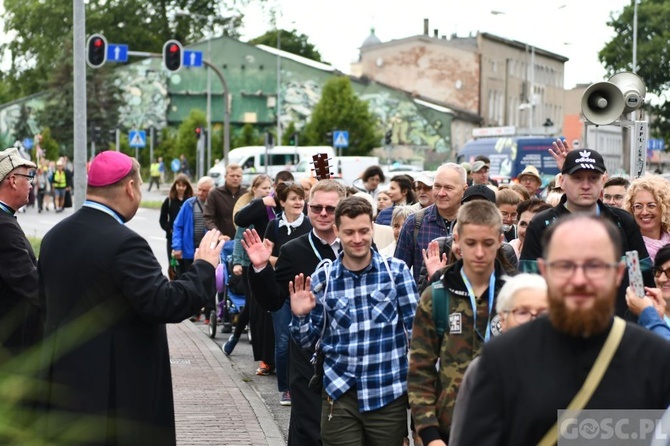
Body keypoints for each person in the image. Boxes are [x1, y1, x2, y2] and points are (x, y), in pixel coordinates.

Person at [38, 151, 223, 445]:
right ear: (130, 188)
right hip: (115, 392)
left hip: (64, 384)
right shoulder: (125, 243)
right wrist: (204, 266)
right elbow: (165, 303)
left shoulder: (55, 237)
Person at [458, 215, 670, 445]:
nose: (579, 279)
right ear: (544, 271)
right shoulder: (502, 359)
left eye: (595, 266)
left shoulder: (655, 358)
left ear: (618, 273)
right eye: (565, 265)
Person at [289, 196, 419, 446]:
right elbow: (306, 342)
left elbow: (418, 334)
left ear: (372, 227)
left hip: (387, 393)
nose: (357, 239)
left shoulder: (397, 272)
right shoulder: (323, 279)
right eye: (349, 232)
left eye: (363, 231)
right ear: (337, 231)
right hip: (339, 394)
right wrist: (301, 315)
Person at [242, 179, 347, 446]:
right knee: (309, 429)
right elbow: (273, 301)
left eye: (330, 208)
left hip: (350, 356)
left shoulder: (356, 245)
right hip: (307, 357)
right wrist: (261, 268)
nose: (323, 214)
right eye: (317, 207)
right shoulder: (292, 250)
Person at [408, 200, 508, 446]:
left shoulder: (516, 295)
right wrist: (429, 435)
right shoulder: (436, 296)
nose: (480, 253)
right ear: (458, 241)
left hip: (506, 429)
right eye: (471, 243)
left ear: (500, 239)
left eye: (488, 243)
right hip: (449, 432)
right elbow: (420, 369)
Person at [520, 147, 654, 317]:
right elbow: (528, 282)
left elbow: (642, 277)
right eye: (577, 178)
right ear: (562, 181)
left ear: (603, 180)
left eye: (593, 178)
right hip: (560, 327)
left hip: (618, 328)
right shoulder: (541, 225)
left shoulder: (623, 222)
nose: (585, 185)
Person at [449, 273, 548, 446]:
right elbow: (461, 437)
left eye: (542, 313)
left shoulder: (572, 367)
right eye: (522, 312)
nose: (533, 321)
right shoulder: (482, 370)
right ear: (502, 319)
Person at [260, 181, 313, 406]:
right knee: (283, 342)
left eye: (301, 198)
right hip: (281, 291)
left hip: (306, 291)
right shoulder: (273, 226)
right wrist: (285, 260)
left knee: (307, 342)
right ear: (282, 202)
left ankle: (306, 385)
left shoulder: (310, 225)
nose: (298, 202)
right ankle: (286, 388)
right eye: (293, 198)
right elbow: (263, 255)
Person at [230, 174, 276, 376]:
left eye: (270, 188)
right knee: (253, 308)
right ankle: (239, 339)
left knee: (267, 311)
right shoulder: (255, 208)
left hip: (272, 265)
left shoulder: (277, 211)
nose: (268, 191)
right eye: (263, 188)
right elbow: (240, 230)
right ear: (255, 189)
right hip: (252, 265)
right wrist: (238, 262)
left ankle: (272, 357)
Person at [0, 148, 42, 364]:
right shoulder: (4, 228)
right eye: (29, 177)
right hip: (11, 345)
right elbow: (30, 284)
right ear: (13, 180)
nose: (32, 183)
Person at [395, 163, 467, 283]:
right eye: (437, 186)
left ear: (464, 189)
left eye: (448, 188)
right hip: (424, 300)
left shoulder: (476, 224)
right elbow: (398, 274)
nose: (441, 193)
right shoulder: (414, 223)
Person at [171, 176, 216, 321]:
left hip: (208, 251)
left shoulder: (215, 205)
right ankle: (195, 312)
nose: (200, 193)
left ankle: (209, 313)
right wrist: (177, 247)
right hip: (189, 250)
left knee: (210, 281)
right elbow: (178, 225)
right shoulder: (189, 204)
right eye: (199, 190)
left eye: (205, 191)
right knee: (191, 281)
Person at [622, 174, 670, 262]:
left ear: (664, 208)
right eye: (638, 206)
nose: (644, 212)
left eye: (651, 206)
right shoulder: (626, 245)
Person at [159, 173, 194, 269]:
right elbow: (162, 219)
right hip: (172, 238)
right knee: (173, 265)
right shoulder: (169, 201)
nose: (181, 188)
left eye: (183, 185)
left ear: (187, 186)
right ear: (175, 186)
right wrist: (169, 229)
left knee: (187, 265)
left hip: (187, 238)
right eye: (179, 185)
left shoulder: (191, 201)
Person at [204, 163, 247, 241]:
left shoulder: (247, 194)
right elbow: (208, 218)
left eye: (238, 176)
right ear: (225, 177)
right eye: (232, 176)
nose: (235, 178)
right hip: (221, 241)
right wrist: (218, 235)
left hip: (243, 241)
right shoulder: (215, 194)